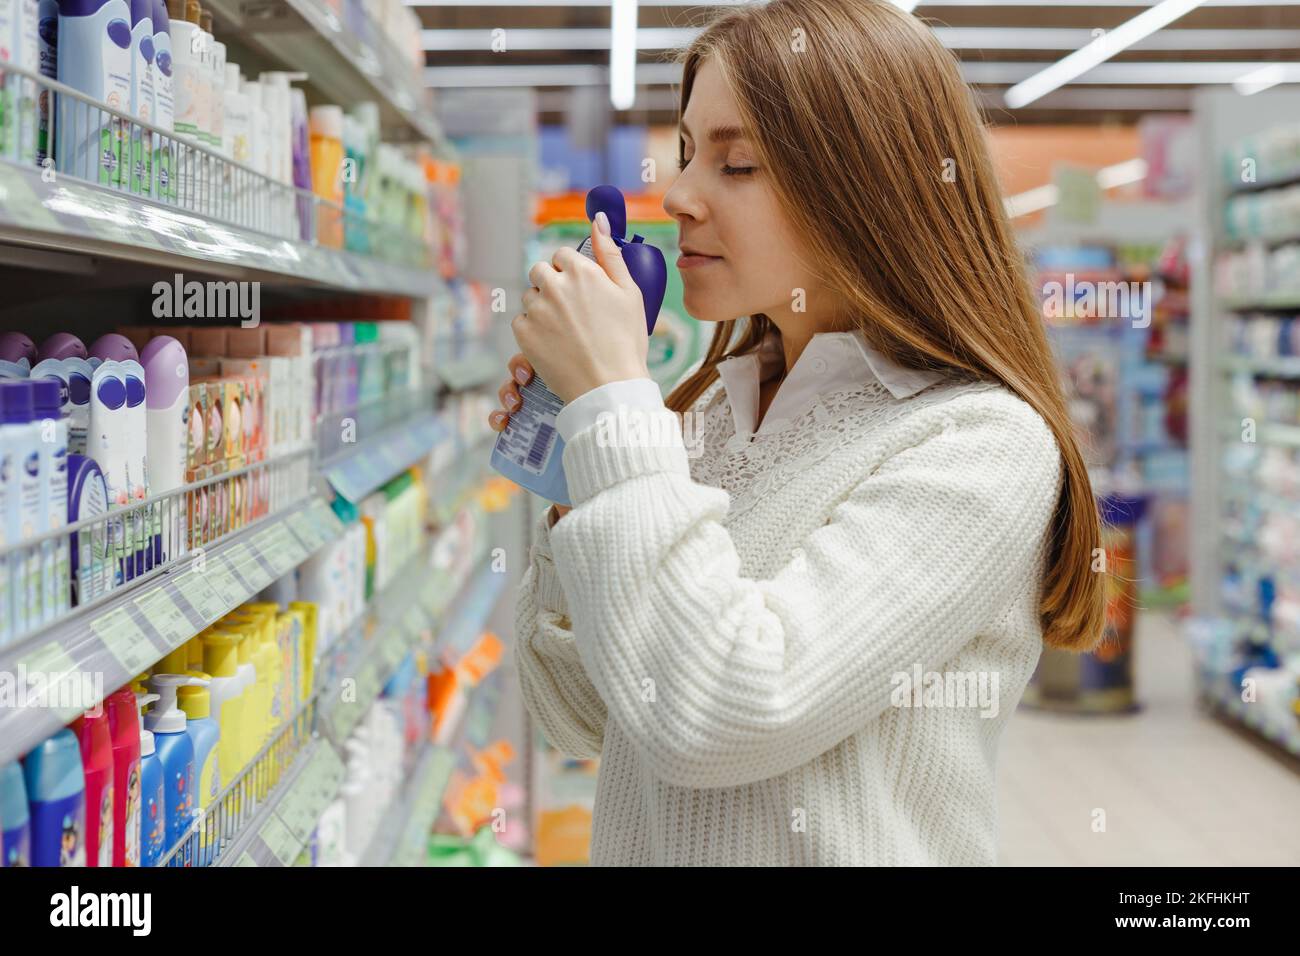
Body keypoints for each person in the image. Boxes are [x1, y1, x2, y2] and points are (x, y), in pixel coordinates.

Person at [489, 0, 1104, 866]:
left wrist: (616, 401)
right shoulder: (703, 420)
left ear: (870, 191)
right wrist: (580, 460)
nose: (677, 198)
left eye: (737, 165)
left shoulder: (979, 444)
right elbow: (578, 713)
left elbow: (715, 710)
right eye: (690, 153)